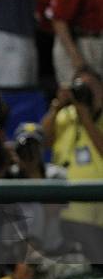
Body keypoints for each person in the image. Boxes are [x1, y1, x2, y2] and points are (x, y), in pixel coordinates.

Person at [42, 69, 103, 260]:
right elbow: (43, 140)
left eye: (89, 86)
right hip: (64, 207)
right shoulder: (65, 115)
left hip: (96, 206)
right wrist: (55, 107)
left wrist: (84, 114)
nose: (84, 91)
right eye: (79, 86)